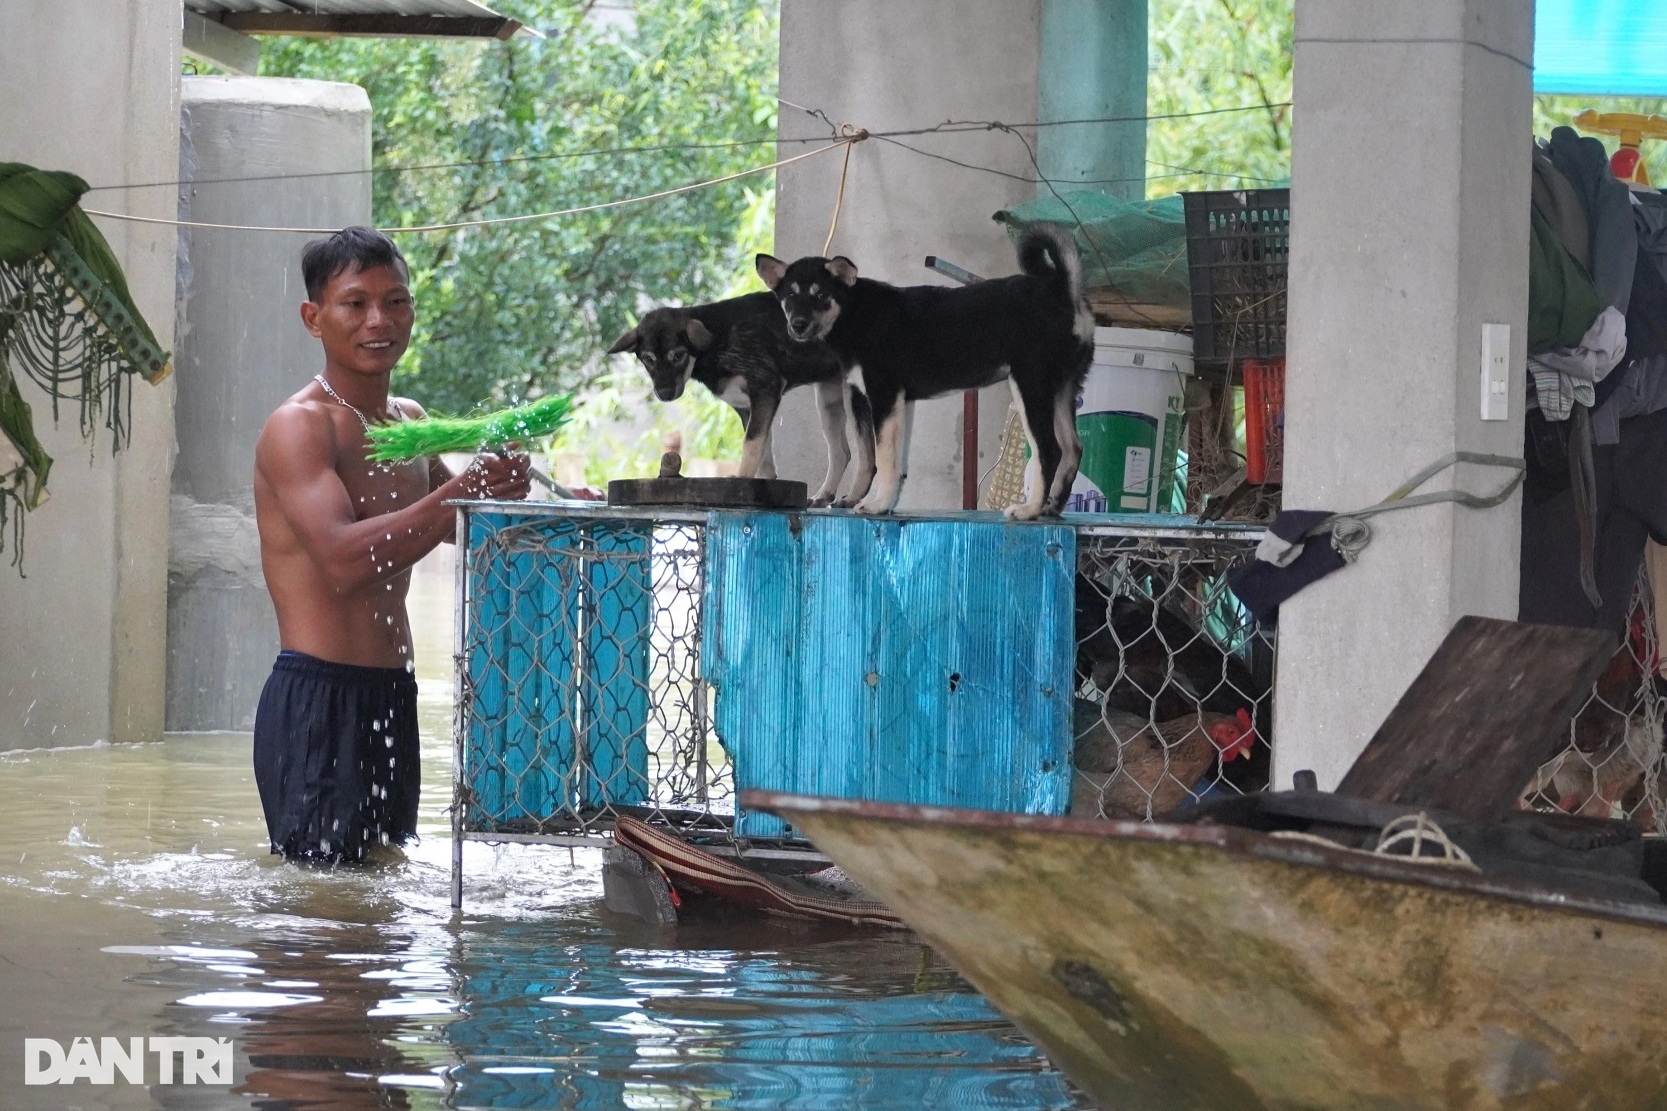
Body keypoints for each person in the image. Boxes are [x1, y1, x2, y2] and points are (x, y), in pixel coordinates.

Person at [251, 226, 530, 862]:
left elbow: (458, 522)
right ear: (313, 318)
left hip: (391, 695)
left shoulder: (407, 420)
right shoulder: (298, 427)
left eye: (395, 301)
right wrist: (460, 490)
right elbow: (345, 562)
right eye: (356, 304)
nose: (380, 320)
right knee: (320, 910)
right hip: (320, 698)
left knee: (378, 893)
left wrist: (542, 502)